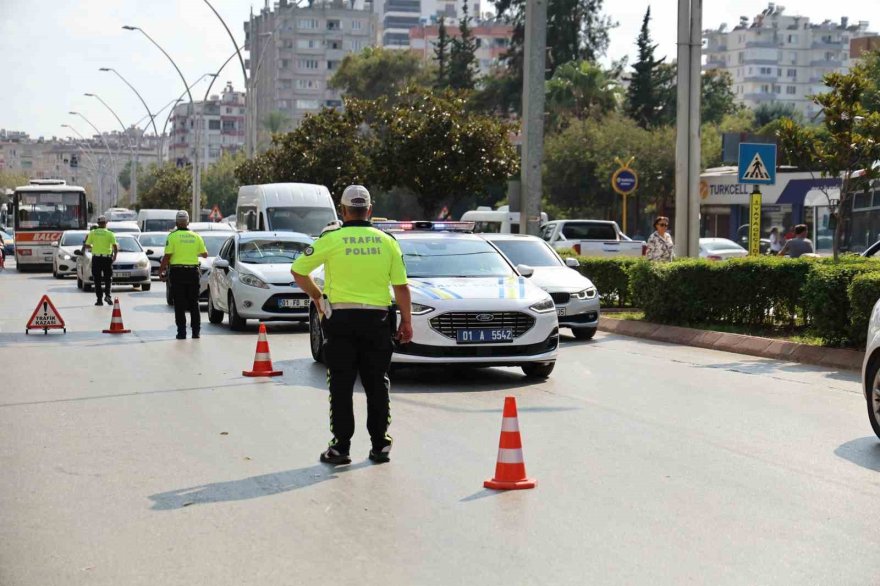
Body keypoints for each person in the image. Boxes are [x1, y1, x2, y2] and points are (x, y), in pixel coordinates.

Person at [292, 185, 413, 466]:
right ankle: (380, 446)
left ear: (343, 211)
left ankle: (341, 448)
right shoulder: (387, 241)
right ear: (370, 210)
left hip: (341, 322)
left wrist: (318, 297)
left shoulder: (332, 239)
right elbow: (402, 287)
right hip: (378, 321)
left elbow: (298, 270)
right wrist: (407, 321)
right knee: (377, 384)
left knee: (341, 386)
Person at [159, 211, 208, 339]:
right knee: (194, 303)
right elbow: (205, 254)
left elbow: (167, 256)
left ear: (176, 223)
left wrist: (161, 271)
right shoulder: (196, 236)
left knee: (179, 304)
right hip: (192, 273)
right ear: (188, 222)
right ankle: (196, 332)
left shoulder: (172, 236)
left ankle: (181, 332)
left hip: (177, 273)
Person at [83, 215, 118, 306]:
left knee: (97, 280)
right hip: (107, 259)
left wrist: (93, 247)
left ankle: (99, 300)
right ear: (106, 223)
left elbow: (87, 245)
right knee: (108, 278)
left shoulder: (93, 233)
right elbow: (115, 247)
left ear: (98, 224)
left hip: (96, 259)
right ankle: (108, 296)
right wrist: (114, 257)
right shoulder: (110, 234)